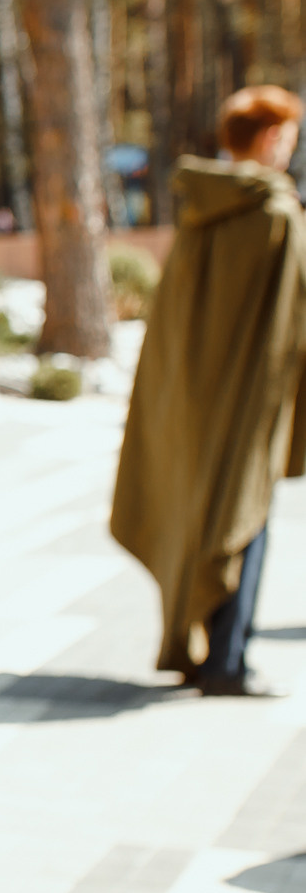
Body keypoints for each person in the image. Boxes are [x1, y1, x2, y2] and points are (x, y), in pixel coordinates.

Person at [113, 84, 306, 697]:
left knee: (200, 512)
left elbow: (178, 311)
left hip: (194, 390)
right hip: (250, 396)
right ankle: (227, 661)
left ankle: (200, 649)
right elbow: (289, 321)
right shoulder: (274, 214)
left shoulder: (201, 205)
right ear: (273, 138)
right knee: (245, 516)